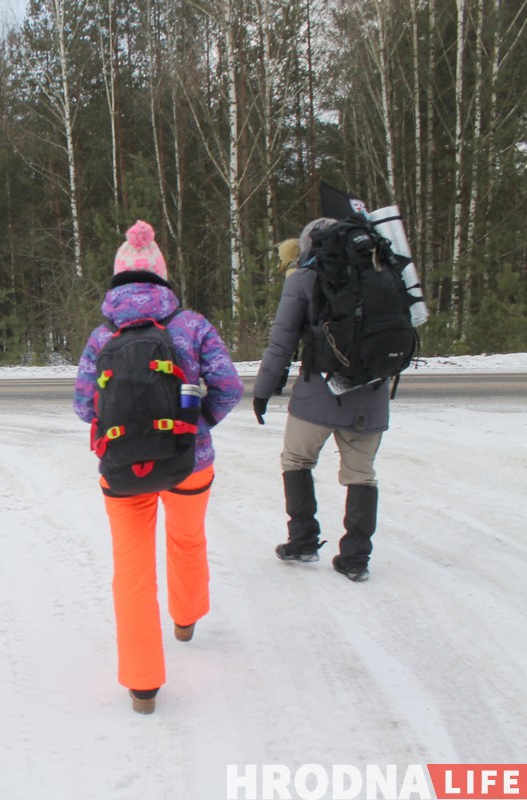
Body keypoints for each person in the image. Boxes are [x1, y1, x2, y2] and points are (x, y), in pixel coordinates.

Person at [73, 220, 242, 714]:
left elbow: (85, 407)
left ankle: (143, 684)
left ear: (117, 281)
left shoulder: (101, 335)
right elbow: (229, 387)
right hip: (190, 462)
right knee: (187, 539)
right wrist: (197, 427)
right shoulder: (191, 325)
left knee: (132, 570)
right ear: (162, 278)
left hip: (122, 470)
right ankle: (186, 618)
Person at [251, 218, 388, 583]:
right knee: (361, 475)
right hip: (371, 393)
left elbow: (281, 342)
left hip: (318, 392)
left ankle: (303, 540)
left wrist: (263, 390)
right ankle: (356, 558)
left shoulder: (302, 279)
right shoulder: (382, 274)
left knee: (296, 459)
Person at [271, 238, 301, 396]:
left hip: (297, 317)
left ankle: (276, 382)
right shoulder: (302, 267)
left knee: (284, 347)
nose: (279, 258)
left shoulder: (293, 270)